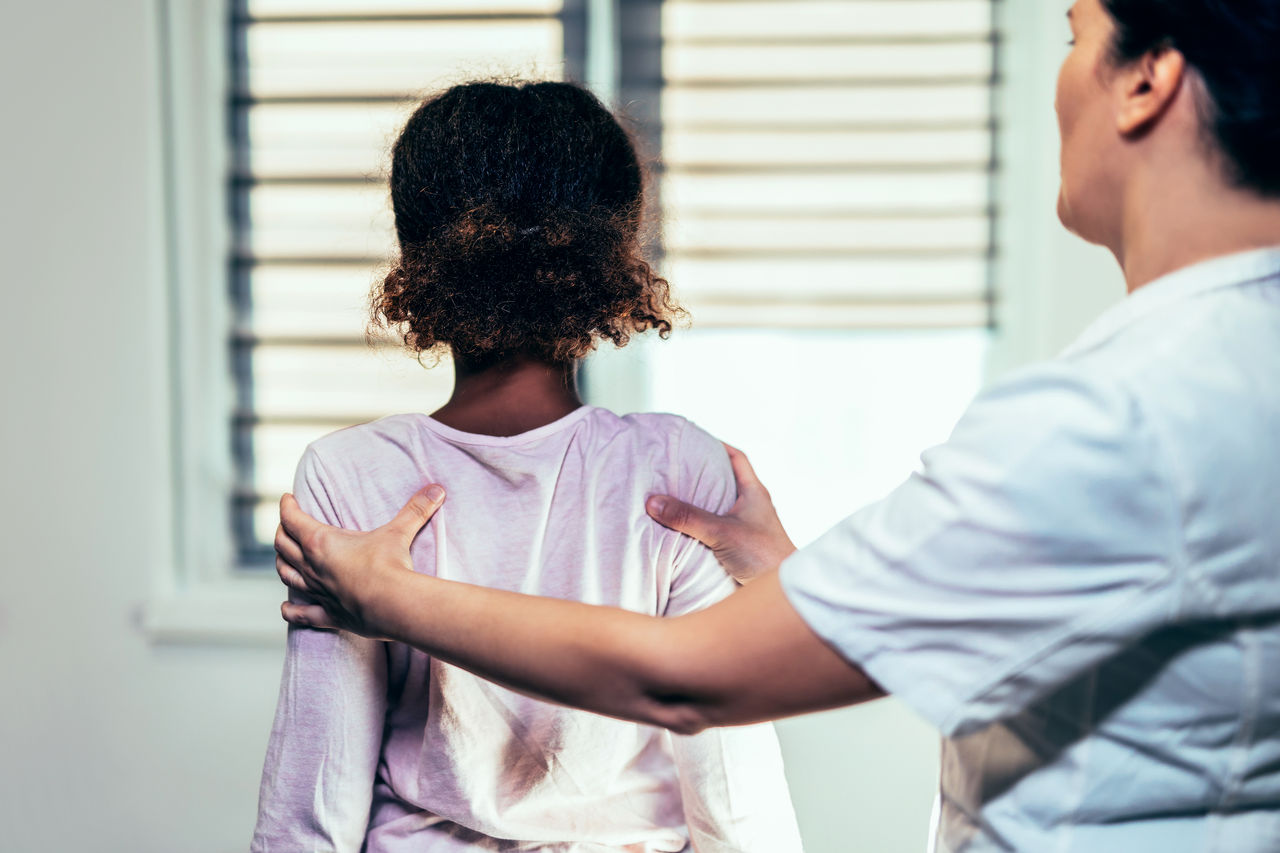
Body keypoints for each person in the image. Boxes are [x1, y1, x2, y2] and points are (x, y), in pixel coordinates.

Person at [271, 1, 1280, 849]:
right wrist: (787, 568)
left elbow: (684, 682)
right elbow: (747, 784)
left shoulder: (1122, 413)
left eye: (1069, 34)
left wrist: (381, 591)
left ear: (1146, 80)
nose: (1057, 79)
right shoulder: (1197, 380)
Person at [251, 80, 803, 852]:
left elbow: (315, 800)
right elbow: (734, 794)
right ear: (615, 257)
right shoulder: (681, 469)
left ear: (416, 254)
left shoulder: (349, 475)